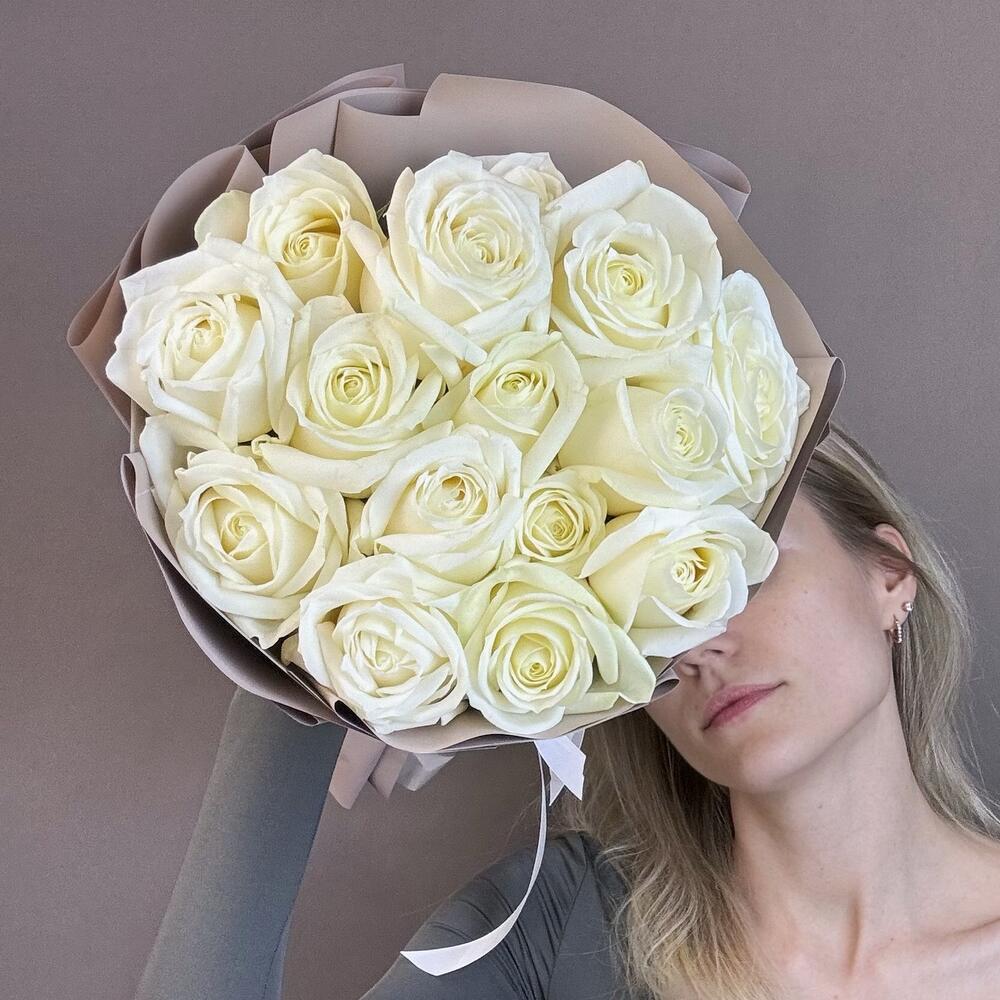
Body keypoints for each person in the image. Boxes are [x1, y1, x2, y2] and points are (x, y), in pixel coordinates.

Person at [131, 420, 1000, 1000]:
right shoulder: (564, 927)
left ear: (889, 576)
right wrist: (303, 664)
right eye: (645, 612)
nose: (699, 643)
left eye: (744, 570)